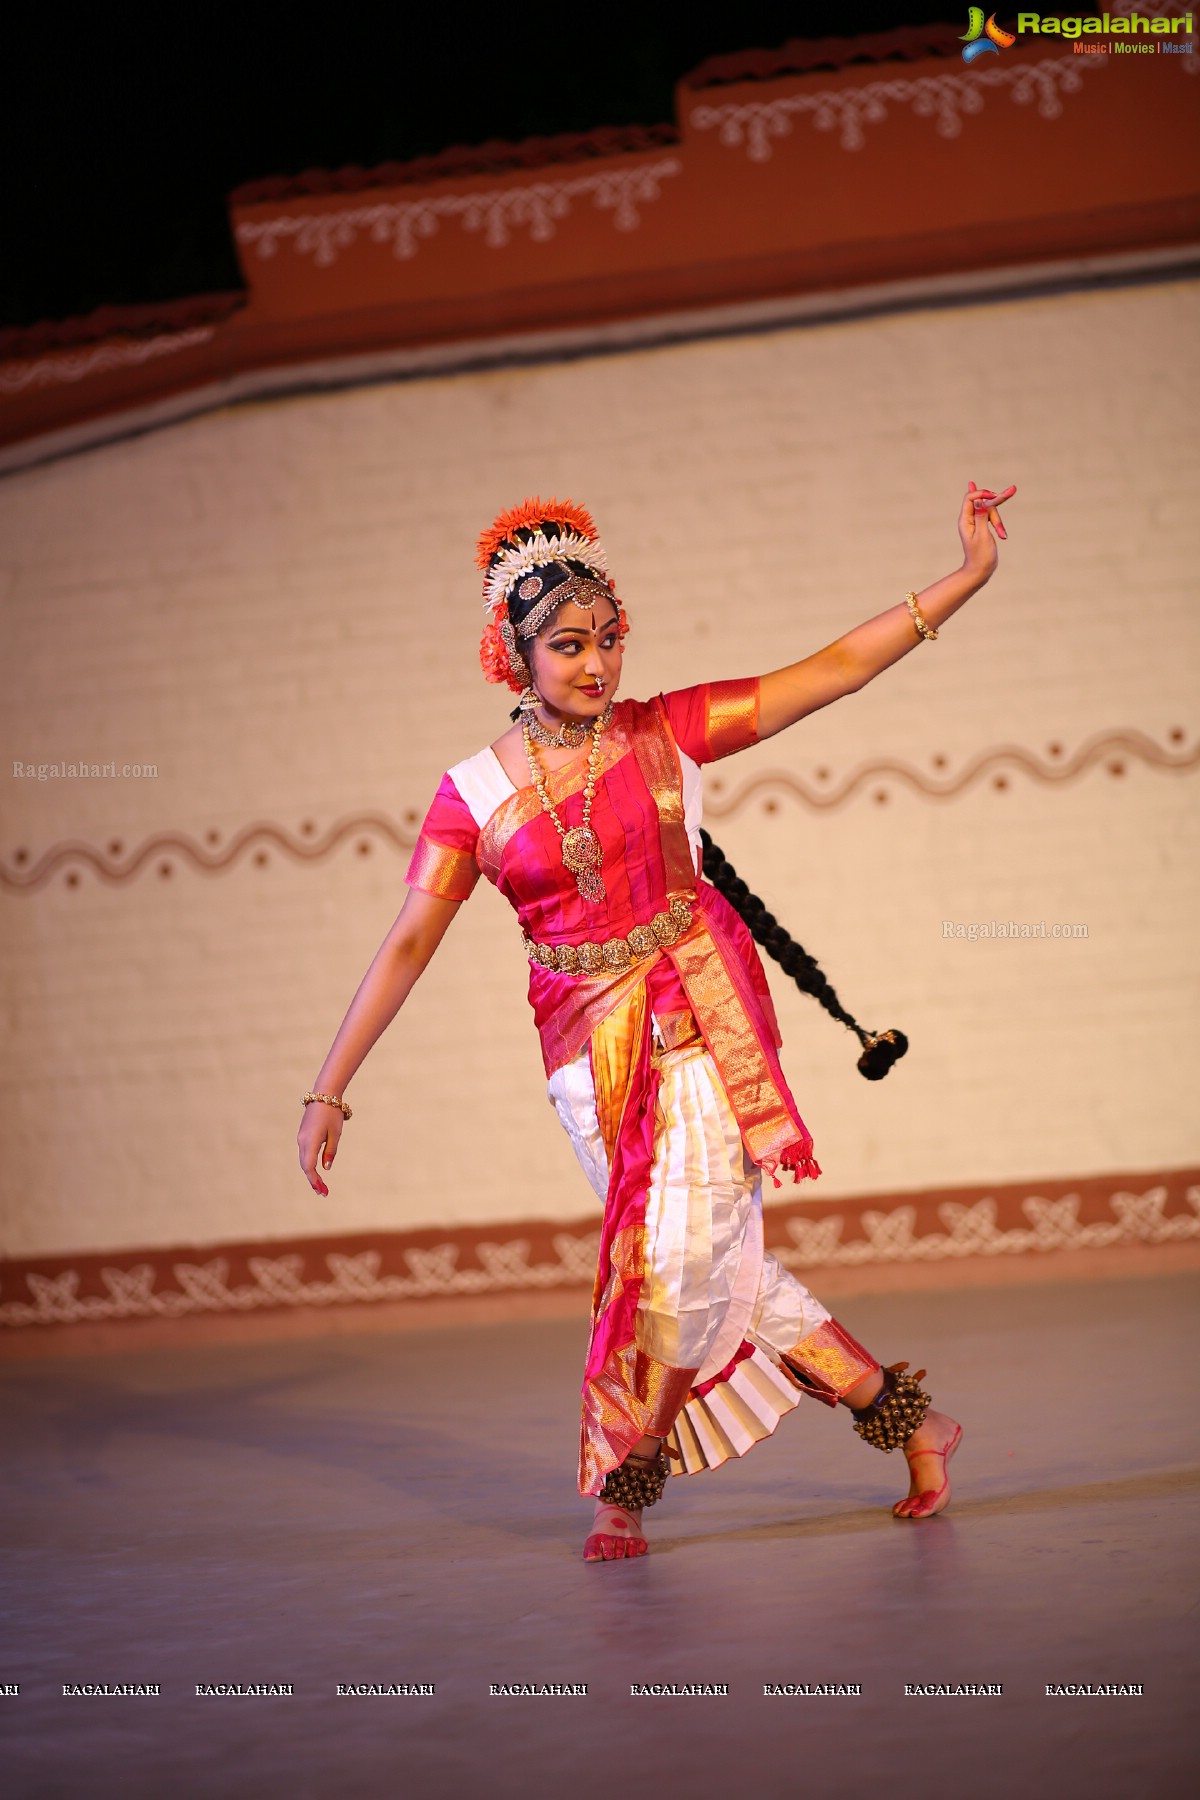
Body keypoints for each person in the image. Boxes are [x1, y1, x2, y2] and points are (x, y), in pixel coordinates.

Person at [297, 480, 1016, 1562]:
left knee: (670, 1258)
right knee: (720, 1269)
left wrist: (965, 577)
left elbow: (829, 671)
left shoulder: (664, 731)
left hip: (703, 1020)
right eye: (569, 646)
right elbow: (408, 941)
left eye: (609, 640)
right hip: (585, 1056)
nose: (595, 666)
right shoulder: (470, 799)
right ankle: (913, 1424)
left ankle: (623, 1476)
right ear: (515, 657)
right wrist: (328, 1084)